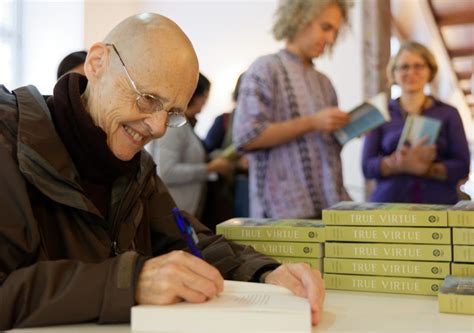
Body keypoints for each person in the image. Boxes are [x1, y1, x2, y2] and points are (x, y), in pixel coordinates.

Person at [0, 13, 324, 330]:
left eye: (172, 113)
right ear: (97, 63)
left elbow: (189, 240)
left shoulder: (137, 170)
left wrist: (267, 273)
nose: (157, 128)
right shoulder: (8, 140)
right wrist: (130, 282)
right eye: (147, 98)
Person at [233, 0, 352, 219]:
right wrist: (313, 122)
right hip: (283, 215)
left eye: (335, 32)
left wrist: (347, 130)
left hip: (330, 208)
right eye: (326, 28)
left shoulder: (324, 82)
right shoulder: (265, 68)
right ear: (299, 19)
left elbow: (325, 150)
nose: (331, 39)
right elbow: (246, 136)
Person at [362, 41, 470, 204]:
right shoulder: (381, 113)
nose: (411, 72)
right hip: (389, 206)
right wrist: (397, 164)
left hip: (438, 205)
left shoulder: (448, 113)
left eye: (418, 66)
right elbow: (367, 167)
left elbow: (462, 167)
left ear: (430, 70)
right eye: (404, 67)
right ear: (394, 73)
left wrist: (428, 169)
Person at [147, 73, 233, 224]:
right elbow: (166, 171)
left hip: (181, 211)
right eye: (204, 98)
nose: (204, 103)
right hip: (172, 212)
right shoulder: (174, 125)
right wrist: (208, 169)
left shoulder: (184, 124)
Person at [204, 73, 250, 217]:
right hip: (232, 190)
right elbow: (206, 155)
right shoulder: (224, 120)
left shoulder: (273, 125)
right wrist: (236, 164)